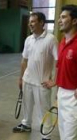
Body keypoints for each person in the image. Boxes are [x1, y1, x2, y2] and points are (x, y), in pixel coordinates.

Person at [12, 12, 58, 140]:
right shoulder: (28, 39)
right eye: (29, 22)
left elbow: (58, 60)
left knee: (43, 110)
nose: (30, 24)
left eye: (33, 21)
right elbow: (24, 60)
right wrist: (21, 78)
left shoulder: (51, 39)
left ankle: (46, 134)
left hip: (42, 83)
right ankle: (26, 124)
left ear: (42, 22)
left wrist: (54, 80)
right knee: (27, 106)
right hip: (27, 80)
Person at [56, 4, 77, 140]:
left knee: (69, 136)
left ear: (74, 21)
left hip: (73, 97)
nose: (59, 20)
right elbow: (60, 67)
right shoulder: (62, 42)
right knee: (63, 132)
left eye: (63, 17)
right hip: (61, 93)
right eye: (59, 17)